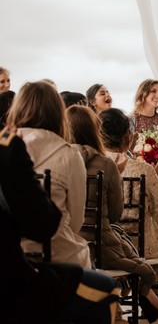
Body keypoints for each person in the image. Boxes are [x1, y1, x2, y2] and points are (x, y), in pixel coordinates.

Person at [0, 126, 120, 324]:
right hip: (12, 286)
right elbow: (44, 226)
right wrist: (19, 164)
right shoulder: (7, 148)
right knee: (104, 287)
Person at [66, 105, 158, 322]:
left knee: (119, 237)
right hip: (97, 246)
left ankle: (131, 304)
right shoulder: (110, 164)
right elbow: (116, 214)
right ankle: (141, 300)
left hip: (68, 239)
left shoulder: (60, 161)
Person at [6, 81, 91, 268]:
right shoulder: (69, 154)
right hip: (58, 257)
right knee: (103, 287)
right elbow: (76, 221)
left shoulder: (5, 147)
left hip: (9, 256)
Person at [99, 108, 158, 282]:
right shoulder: (143, 169)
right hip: (142, 248)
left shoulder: (90, 166)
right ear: (127, 137)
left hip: (99, 246)